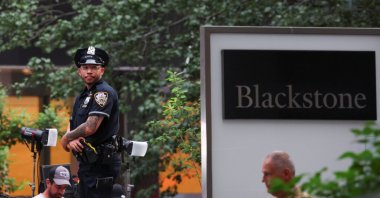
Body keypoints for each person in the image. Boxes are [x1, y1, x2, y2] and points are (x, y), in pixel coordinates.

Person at [61, 46, 121, 198]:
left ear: (102, 70)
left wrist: (66, 138)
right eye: (85, 67)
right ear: (79, 71)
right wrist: (70, 138)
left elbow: (90, 127)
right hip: (87, 163)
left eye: (94, 67)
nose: (89, 71)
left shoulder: (103, 92)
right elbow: (73, 122)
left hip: (101, 164)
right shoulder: (83, 95)